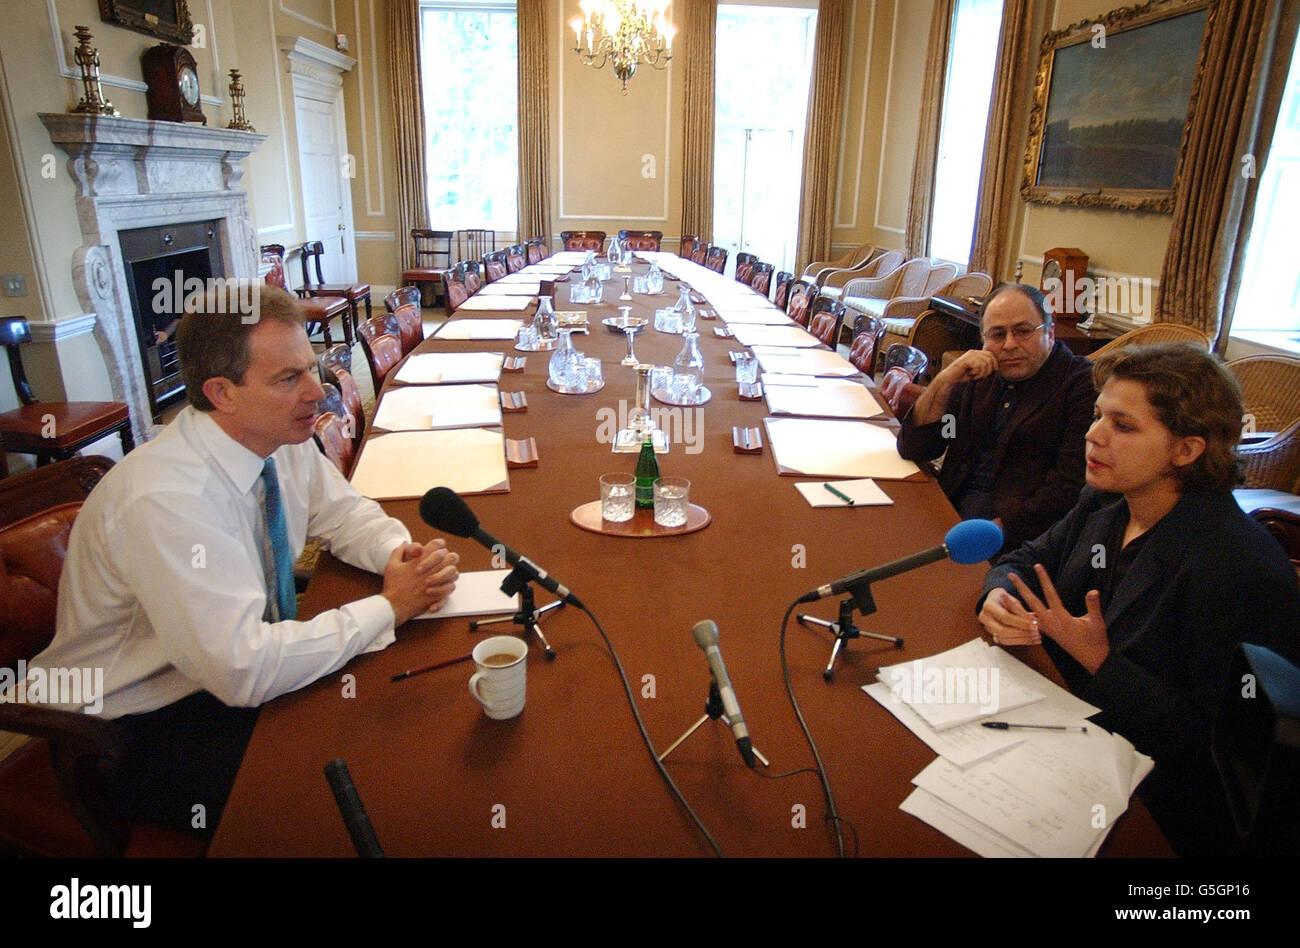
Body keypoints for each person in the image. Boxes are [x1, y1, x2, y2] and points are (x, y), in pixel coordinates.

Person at [28, 283, 459, 837]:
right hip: (138, 720)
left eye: (311, 368)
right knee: (352, 786)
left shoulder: (277, 437)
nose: (317, 391)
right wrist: (389, 607)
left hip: (219, 670)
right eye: (289, 378)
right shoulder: (165, 499)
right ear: (222, 393)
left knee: (402, 711)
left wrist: (403, 557)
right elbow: (245, 671)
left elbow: (348, 515)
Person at [979, 343, 1300, 855]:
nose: (1092, 435)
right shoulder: (1105, 500)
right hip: (1065, 726)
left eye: (1123, 426)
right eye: (1097, 415)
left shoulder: (1240, 568)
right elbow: (1023, 560)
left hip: (1154, 805)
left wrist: (1100, 660)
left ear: (1187, 450)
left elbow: (1219, 750)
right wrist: (997, 595)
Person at [896, 284, 1095, 552]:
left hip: (1016, 540)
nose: (1010, 345)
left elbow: (1068, 489)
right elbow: (919, 447)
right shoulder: (980, 375)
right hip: (947, 513)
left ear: (1050, 332)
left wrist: (991, 535)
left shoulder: (1081, 385)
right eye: (997, 334)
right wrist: (943, 381)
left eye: (1023, 331)